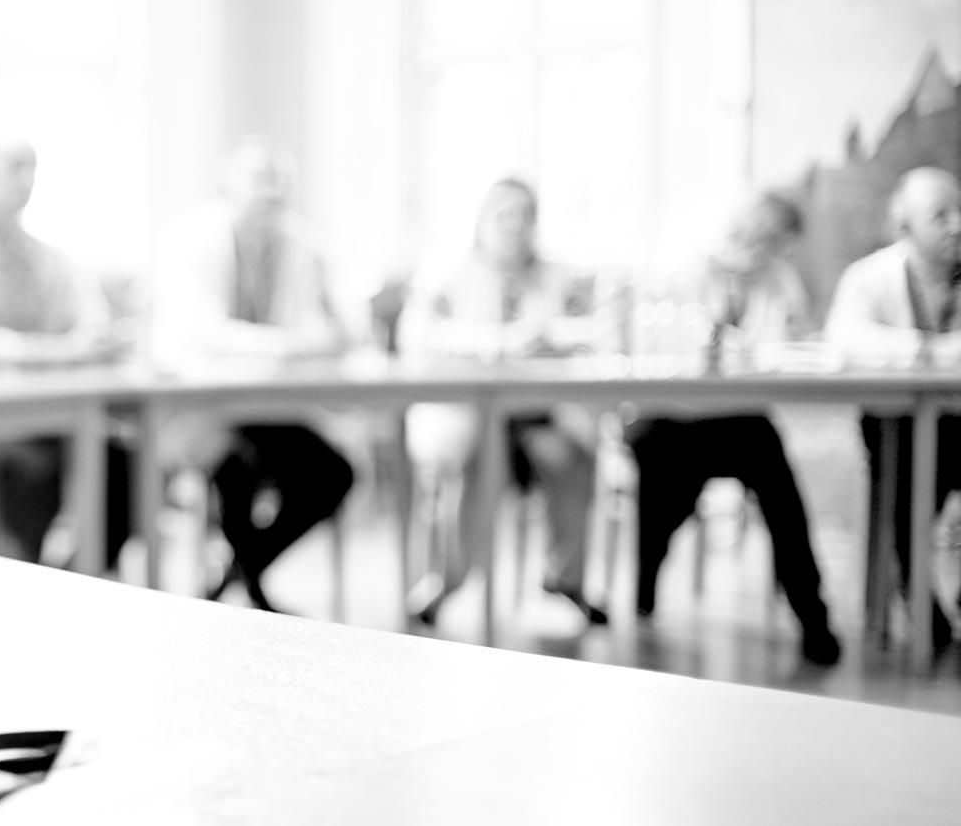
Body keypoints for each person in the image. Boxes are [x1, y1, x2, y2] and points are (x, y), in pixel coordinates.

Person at [624, 192, 840, 665]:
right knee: (663, 485)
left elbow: (797, 340)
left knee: (783, 497)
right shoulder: (685, 268)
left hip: (739, 417)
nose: (772, 253)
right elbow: (660, 348)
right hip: (670, 414)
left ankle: (813, 616)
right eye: (769, 241)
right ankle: (644, 589)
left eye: (780, 246)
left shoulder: (779, 280)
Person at [150, 138, 358, 613]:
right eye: (258, 181)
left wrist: (304, 337)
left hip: (271, 404)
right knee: (234, 466)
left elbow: (330, 329)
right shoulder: (192, 238)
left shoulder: (302, 243)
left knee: (333, 473)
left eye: (278, 185)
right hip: (202, 405)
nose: (270, 195)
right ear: (229, 185)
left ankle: (241, 575)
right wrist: (283, 345)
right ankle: (249, 591)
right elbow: (200, 332)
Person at [400, 177, 608, 626]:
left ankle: (563, 579)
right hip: (469, 413)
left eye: (524, 216)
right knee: (478, 463)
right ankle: (449, 582)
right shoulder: (448, 269)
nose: (513, 226)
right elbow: (416, 334)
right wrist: (494, 343)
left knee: (574, 458)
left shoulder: (555, 275)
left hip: (536, 416)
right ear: (482, 219)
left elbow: (591, 331)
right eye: (502, 215)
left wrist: (550, 337)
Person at [0, 140, 132, 569]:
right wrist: (44, 352)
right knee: (28, 470)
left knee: (121, 463)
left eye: (32, 168)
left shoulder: (51, 258)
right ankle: (23, 572)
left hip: (58, 413)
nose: (25, 180)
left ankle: (77, 578)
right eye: (15, 167)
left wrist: (89, 342)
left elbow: (92, 322)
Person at [824, 165, 961, 650]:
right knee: (908, 494)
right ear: (905, 225)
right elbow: (844, 340)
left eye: (959, 210)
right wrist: (931, 350)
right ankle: (924, 615)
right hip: (895, 426)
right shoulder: (870, 277)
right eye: (940, 215)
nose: (957, 224)